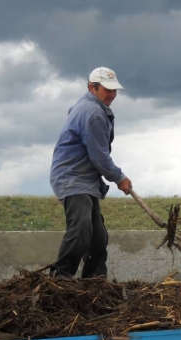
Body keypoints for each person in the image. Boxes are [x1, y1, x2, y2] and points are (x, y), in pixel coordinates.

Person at [49, 67, 132, 278]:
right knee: (81, 231)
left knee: (98, 238)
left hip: (85, 179)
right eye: (107, 90)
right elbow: (99, 156)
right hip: (73, 178)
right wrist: (119, 178)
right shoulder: (93, 113)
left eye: (115, 90)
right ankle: (61, 278)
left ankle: (94, 284)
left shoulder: (86, 105)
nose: (112, 95)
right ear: (92, 87)